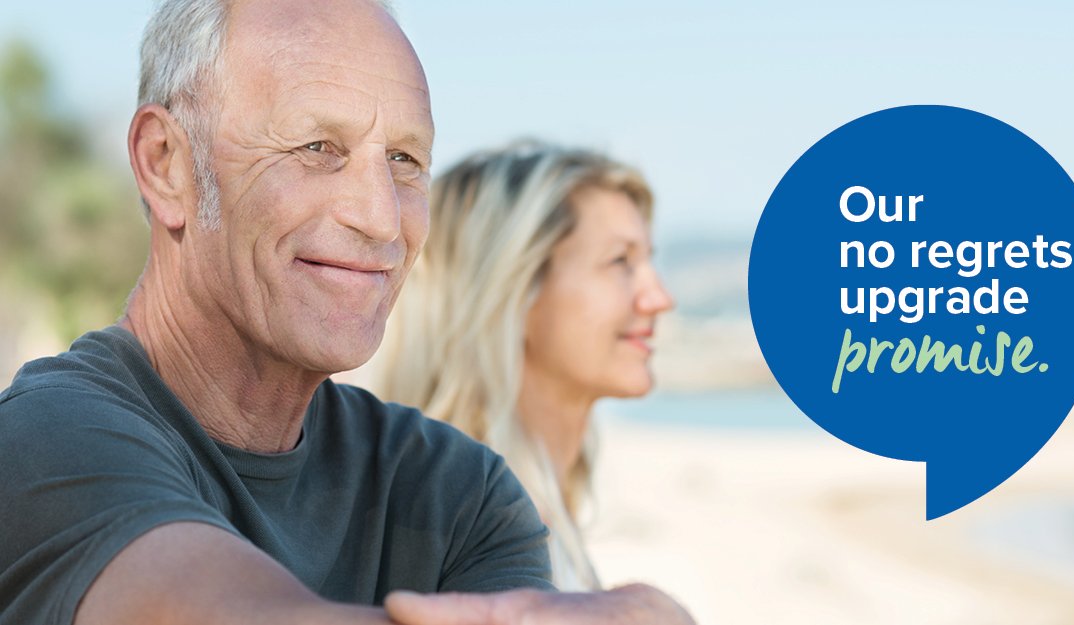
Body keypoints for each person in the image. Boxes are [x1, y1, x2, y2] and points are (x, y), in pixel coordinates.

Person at [0, 0, 695, 624]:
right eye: (316, 149)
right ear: (166, 165)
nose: (380, 218)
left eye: (403, 159)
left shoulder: (459, 491)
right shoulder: (46, 438)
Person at [375, 142, 674, 590]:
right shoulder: (469, 527)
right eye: (620, 262)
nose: (659, 298)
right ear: (516, 291)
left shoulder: (530, 506)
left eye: (648, 259)